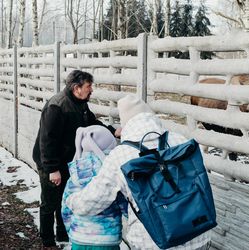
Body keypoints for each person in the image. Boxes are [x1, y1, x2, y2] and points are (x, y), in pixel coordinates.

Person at [66, 95, 211, 250]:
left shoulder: (120, 155)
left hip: (153, 242)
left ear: (125, 123)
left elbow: (91, 203)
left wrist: (71, 200)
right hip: (198, 233)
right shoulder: (180, 140)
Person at [32, 70, 121, 248]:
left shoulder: (80, 103)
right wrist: (52, 169)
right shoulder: (57, 106)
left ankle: (63, 234)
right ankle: (47, 240)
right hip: (50, 162)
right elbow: (47, 140)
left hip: (67, 160)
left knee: (65, 198)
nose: (91, 90)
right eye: (88, 86)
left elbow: (91, 123)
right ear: (76, 88)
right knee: (50, 202)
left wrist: (112, 131)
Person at [61, 125, 127, 250]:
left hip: (78, 239)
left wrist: (72, 230)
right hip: (107, 240)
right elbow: (124, 205)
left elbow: (65, 208)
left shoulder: (75, 175)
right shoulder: (111, 174)